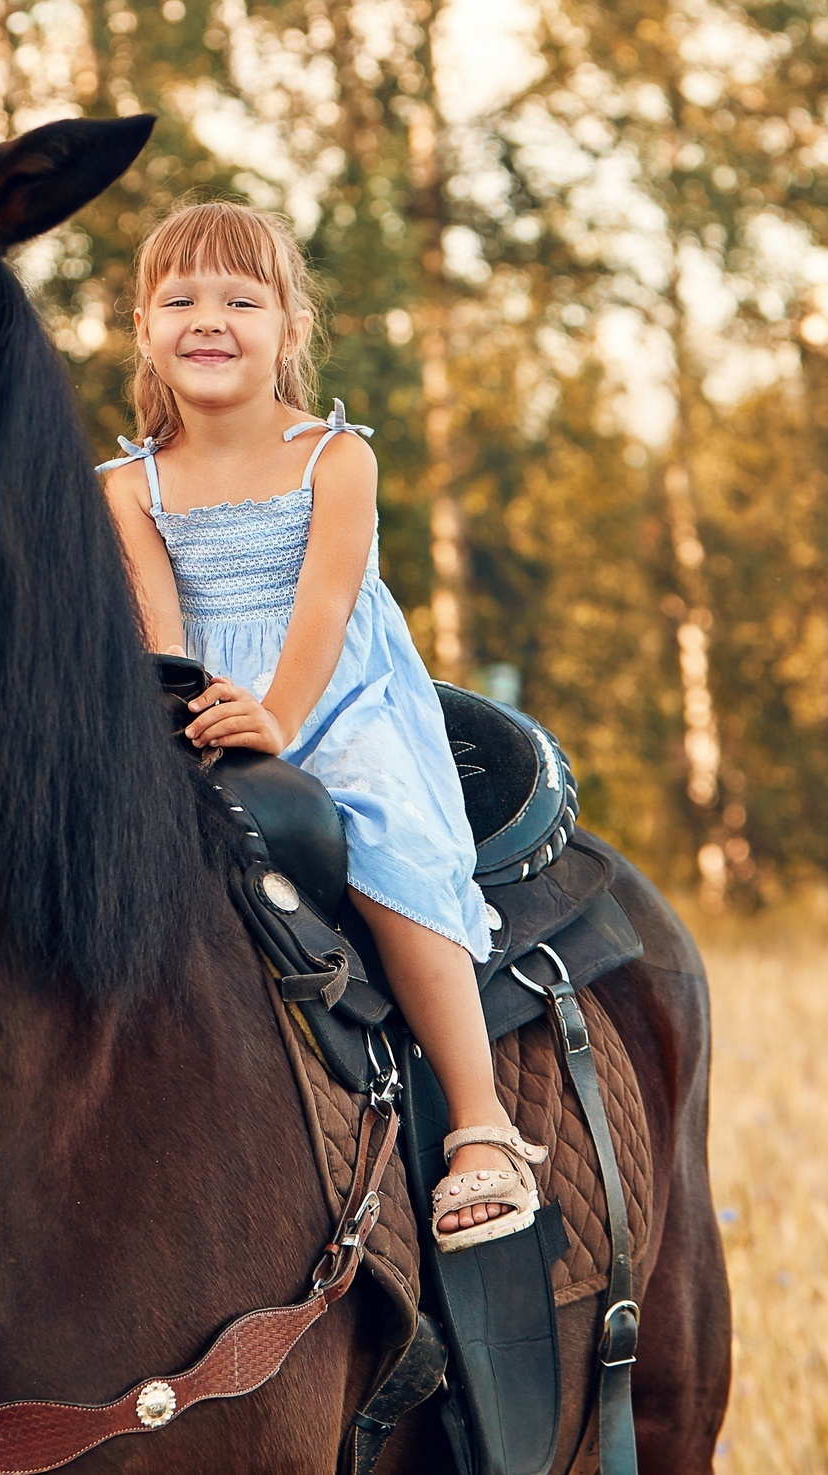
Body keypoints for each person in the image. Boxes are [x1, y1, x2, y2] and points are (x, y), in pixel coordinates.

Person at [98, 201, 543, 1249]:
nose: (210, 320)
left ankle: (479, 1125)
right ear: (144, 330)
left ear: (288, 329)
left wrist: (277, 719)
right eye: (182, 300)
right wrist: (182, 717)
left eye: (240, 300)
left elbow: (326, 607)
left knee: (387, 837)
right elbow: (158, 626)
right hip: (203, 698)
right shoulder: (126, 484)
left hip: (332, 695)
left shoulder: (333, 459)